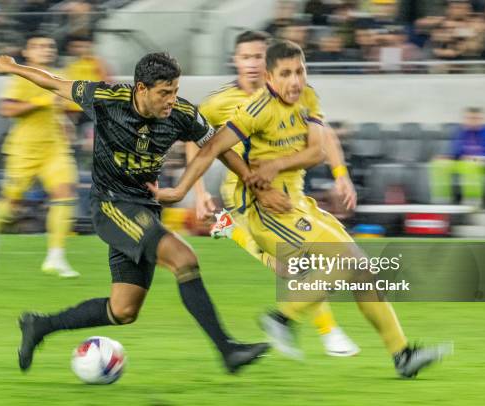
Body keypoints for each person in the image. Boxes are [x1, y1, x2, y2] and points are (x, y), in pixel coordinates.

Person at [149, 40, 452, 378]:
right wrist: (183, 190)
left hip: (298, 203)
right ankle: (282, 318)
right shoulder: (253, 110)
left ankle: (401, 355)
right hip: (266, 211)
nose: (295, 81)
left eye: (300, 71)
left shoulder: (308, 96)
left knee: (362, 272)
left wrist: (292, 168)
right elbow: (211, 146)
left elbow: (317, 151)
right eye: (286, 74)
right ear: (269, 77)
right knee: (345, 260)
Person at [0, 51, 275, 374]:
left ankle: (39, 326)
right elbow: (54, 83)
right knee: (184, 258)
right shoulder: (107, 99)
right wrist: (13, 68)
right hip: (111, 205)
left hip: (145, 211)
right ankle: (228, 351)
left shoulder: (181, 114)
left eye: (175, 91)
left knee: (123, 310)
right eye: (164, 93)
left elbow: (217, 146)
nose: (171, 100)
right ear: (141, 89)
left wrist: (253, 181)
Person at [190, 30, 359, 359]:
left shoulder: (295, 95)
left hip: (289, 190)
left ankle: (228, 229)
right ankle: (329, 332)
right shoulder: (218, 103)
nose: (252, 64)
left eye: (258, 56)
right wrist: (198, 192)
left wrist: (341, 174)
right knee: (295, 265)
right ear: (235, 61)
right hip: (246, 194)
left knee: (305, 263)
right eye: (245, 57)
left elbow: (324, 137)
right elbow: (194, 138)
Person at [0, 32, 80, 278]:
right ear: (28, 53)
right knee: (11, 203)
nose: (46, 49)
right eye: (39, 46)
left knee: (64, 193)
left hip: (54, 148)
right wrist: (40, 102)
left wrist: (65, 121)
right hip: (24, 150)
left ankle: (56, 256)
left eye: (50, 45)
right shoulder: (21, 77)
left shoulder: (57, 76)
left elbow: (62, 107)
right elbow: (7, 109)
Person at [429, 107, 485, 206]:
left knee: (470, 164)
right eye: (469, 118)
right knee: (440, 164)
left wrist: (477, 158)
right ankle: (442, 201)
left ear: (482, 120)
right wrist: (447, 157)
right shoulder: (461, 133)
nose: (472, 121)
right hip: (463, 162)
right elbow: (456, 152)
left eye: (475, 118)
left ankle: (472, 202)